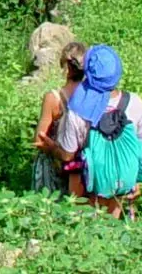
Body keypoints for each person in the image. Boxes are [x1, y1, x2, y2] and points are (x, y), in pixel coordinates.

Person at [55, 45, 142, 217]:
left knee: (85, 233)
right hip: (122, 185)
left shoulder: (77, 110)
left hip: (86, 191)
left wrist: (51, 147)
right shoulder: (135, 103)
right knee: (112, 232)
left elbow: (68, 155)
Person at [32, 42, 88, 196]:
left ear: (65, 67)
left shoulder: (53, 98)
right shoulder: (93, 97)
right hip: (85, 165)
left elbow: (39, 139)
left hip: (56, 165)